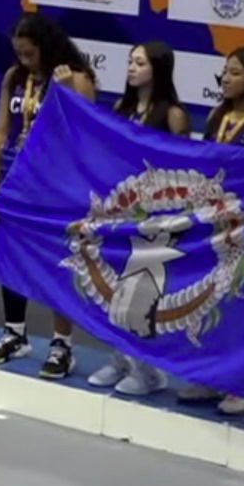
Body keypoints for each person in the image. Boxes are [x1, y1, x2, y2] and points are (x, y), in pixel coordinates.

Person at [0, 13, 96, 378]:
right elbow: (1, 131)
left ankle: (62, 343)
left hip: (56, 184)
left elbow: (88, 134)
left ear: (47, 48)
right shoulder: (15, 78)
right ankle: (15, 333)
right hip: (15, 180)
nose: (24, 61)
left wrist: (67, 94)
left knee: (59, 260)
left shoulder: (76, 79)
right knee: (10, 253)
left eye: (29, 54)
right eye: (19, 53)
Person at [176, 46, 244, 414]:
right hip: (212, 225)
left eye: (235, 73)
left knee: (243, 303)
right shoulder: (215, 116)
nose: (226, 78)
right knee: (212, 301)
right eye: (225, 71)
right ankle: (212, 375)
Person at [87, 41, 190, 395]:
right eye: (130, 61)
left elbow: (184, 167)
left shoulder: (173, 114)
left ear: (157, 69)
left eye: (140, 62)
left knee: (141, 292)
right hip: (122, 211)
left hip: (157, 218)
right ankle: (120, 359)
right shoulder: (122, 106)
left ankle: (148, 369)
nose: (131, 68)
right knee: (112, 290)